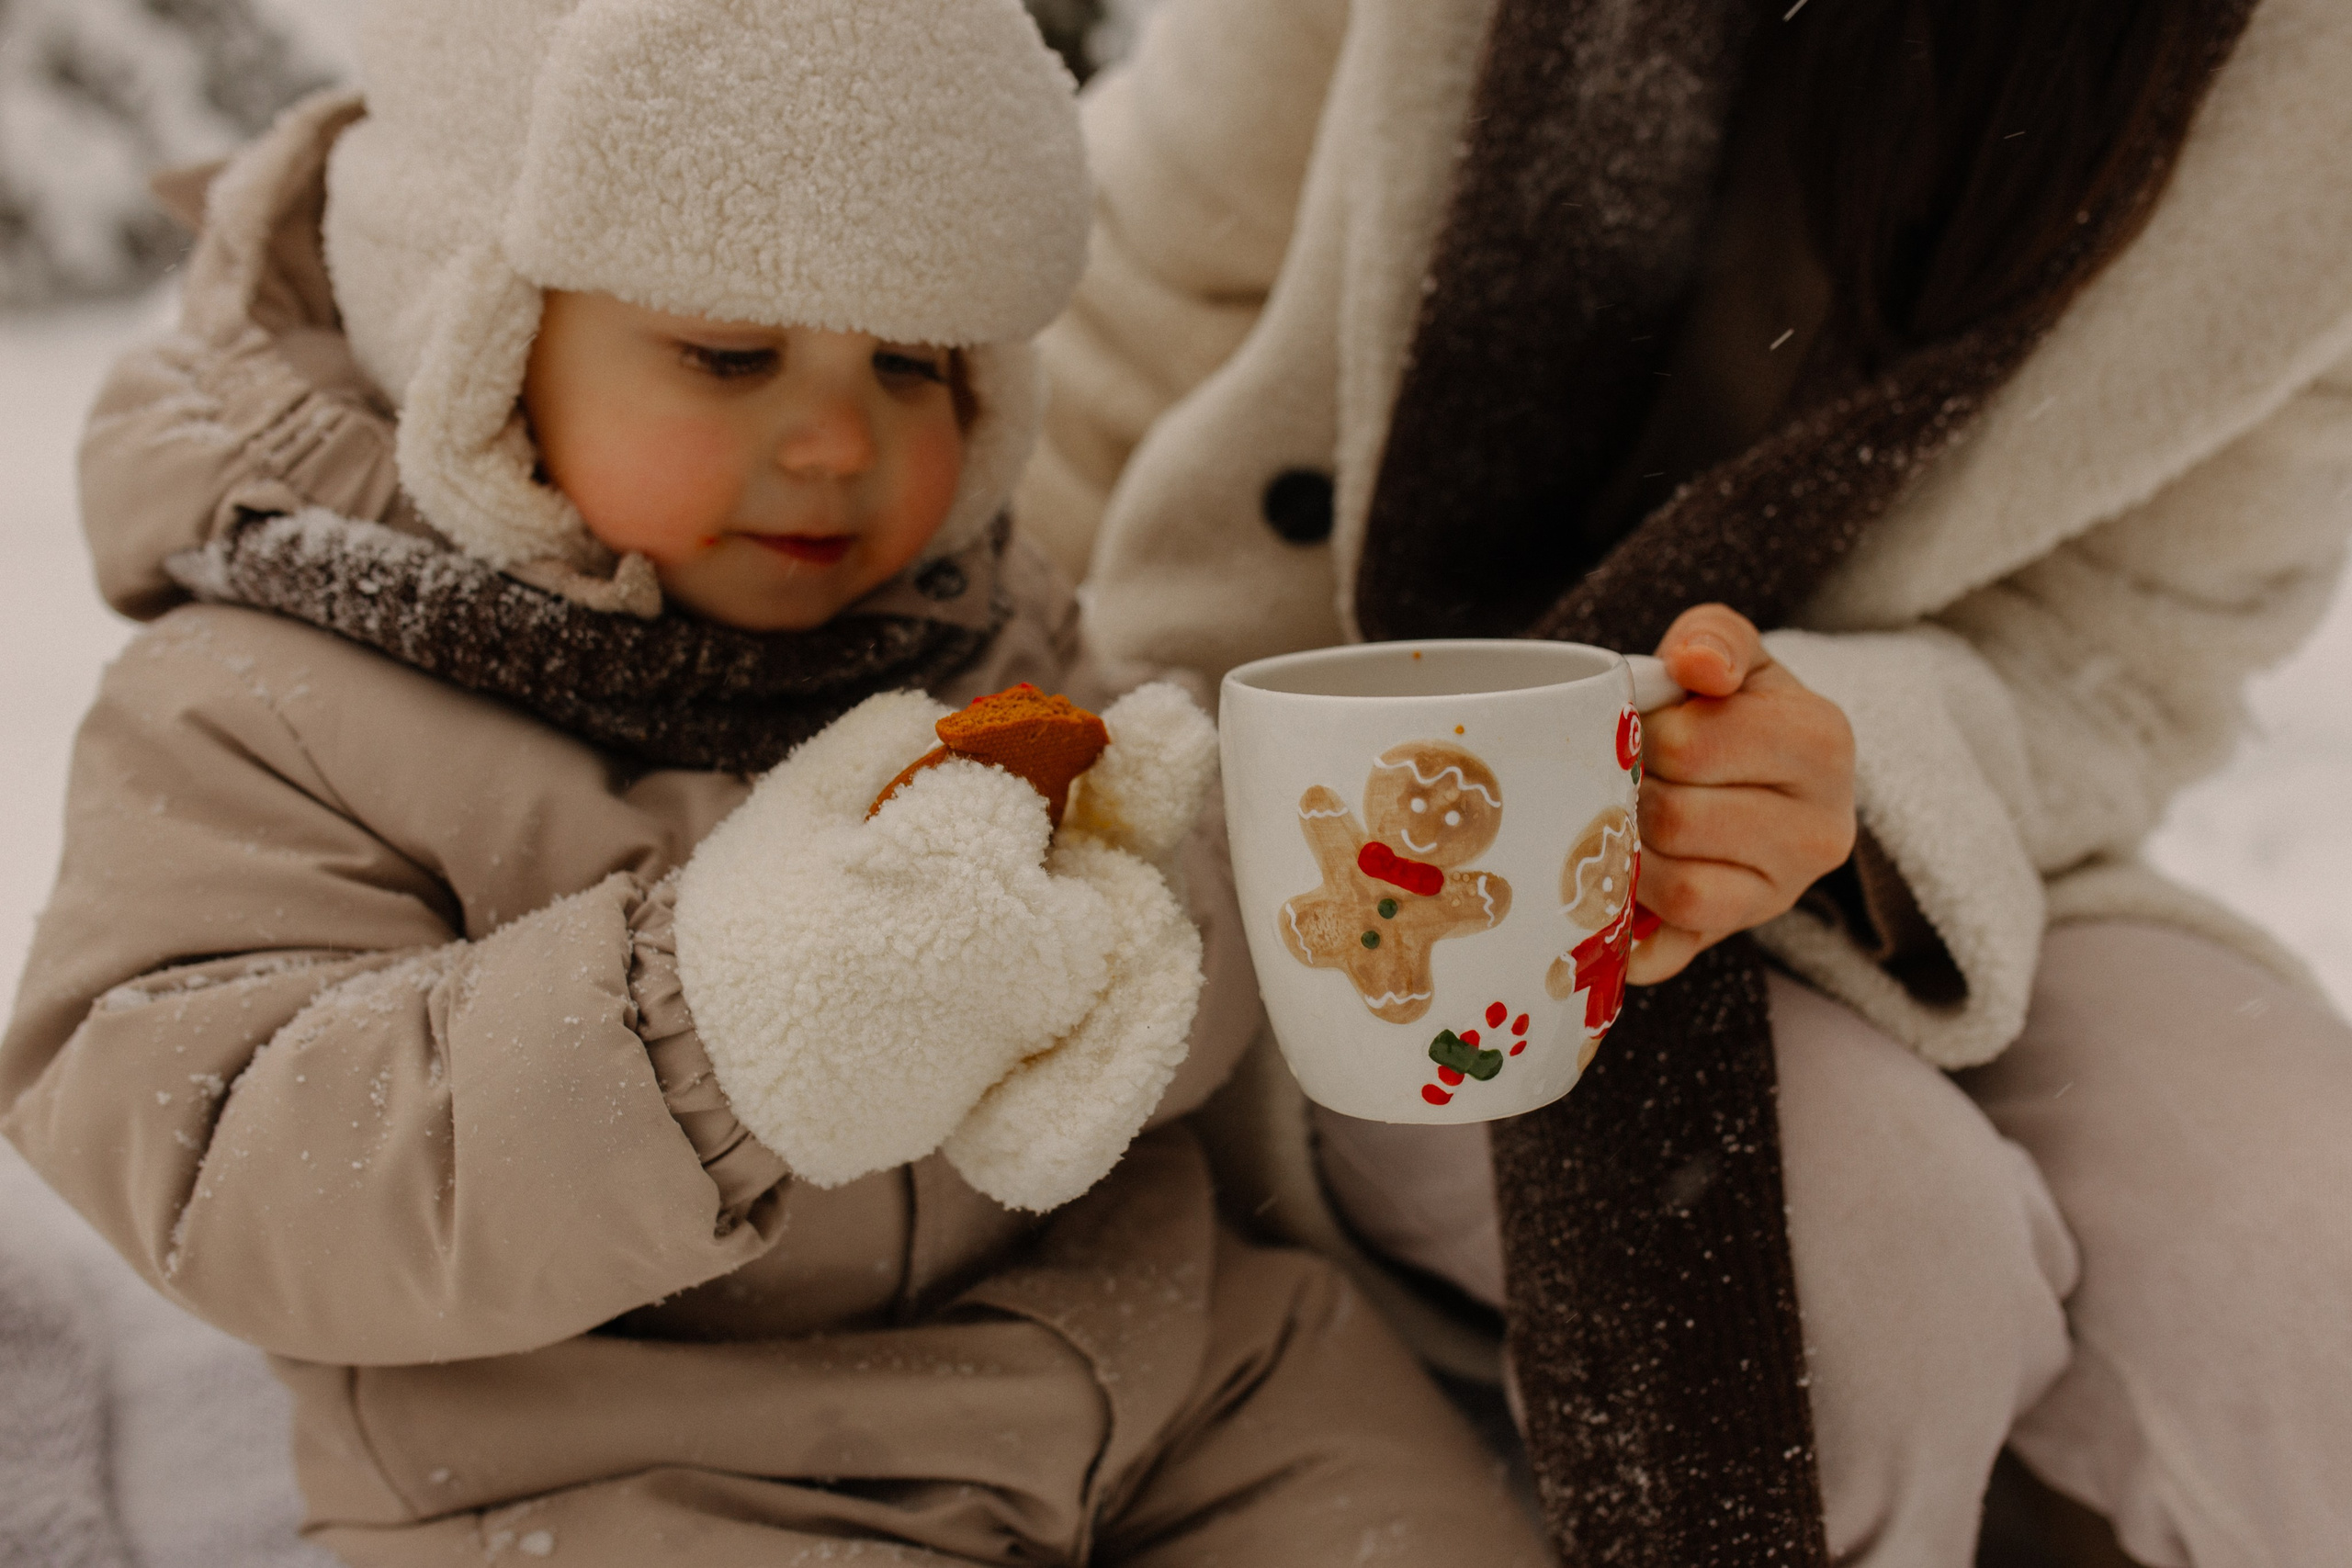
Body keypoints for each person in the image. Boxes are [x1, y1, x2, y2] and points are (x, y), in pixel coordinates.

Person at [0, 2, 1555, 1562]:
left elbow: (1182, 1033)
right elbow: (222, 1159)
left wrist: (1154, 916)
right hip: (621, 1457)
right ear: (471, 343)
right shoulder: (265, 700)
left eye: (914, 362)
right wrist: (708, 1037)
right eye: (729, 354)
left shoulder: (989, 628)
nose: (834, 439)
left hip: (1169, 1365)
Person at [1024, 0, 2352, 1563]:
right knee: (1841, 1269)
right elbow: (1102, 337)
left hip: (1945, 834)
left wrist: (1851, 761)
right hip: (1371, 848)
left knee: (2298, 1253)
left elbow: (2121, 657)